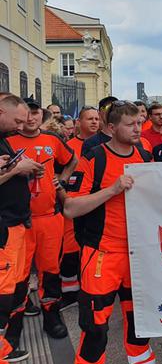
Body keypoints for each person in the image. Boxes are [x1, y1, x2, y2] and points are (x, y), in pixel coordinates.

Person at [63, 101, 156, 364]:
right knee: (95, 326)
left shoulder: (145, 157)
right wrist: (111, 190)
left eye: (139, 122)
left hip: (138, 254)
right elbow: (70, 208)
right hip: (101, 253)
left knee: (138, 319)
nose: (138, 129)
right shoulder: (94, 158)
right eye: (130, 124)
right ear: (112, 128)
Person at [7, 98, 77, 340]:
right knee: (18, 274)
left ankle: (52, 315)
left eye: (35, 113)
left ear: (41, 116)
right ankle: (14, 326)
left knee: (50, 270)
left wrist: (62, 178)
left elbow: (71, 160)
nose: (30, 118)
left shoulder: (52, 140)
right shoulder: (7, 140)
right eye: (26, 113)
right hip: (19, 220)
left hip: (49, 217)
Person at [0, 94, 43, 364]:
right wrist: (16, 169)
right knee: (1, 298)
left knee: (12, 293)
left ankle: (4, 350)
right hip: (3, 230)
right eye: (16, 120)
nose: (20, 126)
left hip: (15, 226)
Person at [60, 106, 100, 312]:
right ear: (78, 123)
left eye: (96, 118)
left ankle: (89, 288)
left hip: (96, 205)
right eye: (89, 119)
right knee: (71, 249)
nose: (94, 122)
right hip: (74, 204)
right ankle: (70, 293)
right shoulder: (68, 146)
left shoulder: (104, 146)